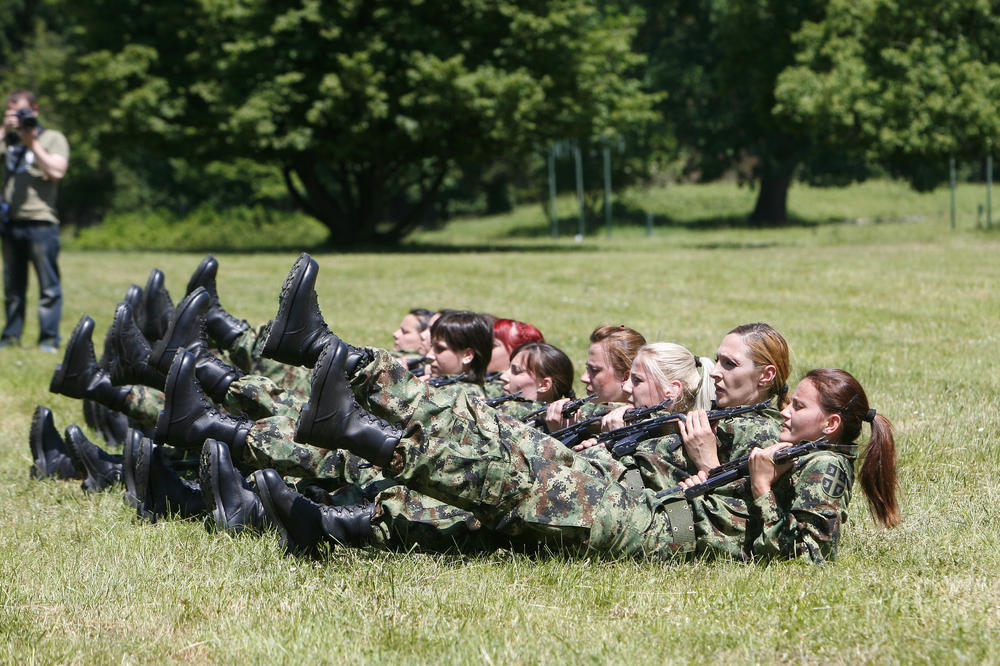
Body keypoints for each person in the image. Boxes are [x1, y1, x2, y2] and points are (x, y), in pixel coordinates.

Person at [282, 342, 900, 562]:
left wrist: (753, 486)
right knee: (518, 458)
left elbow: (803, 562)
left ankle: (356, 429)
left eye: (801, 407)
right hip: (660, 510)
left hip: (669, 530)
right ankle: (356, 402)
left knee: (519, 483)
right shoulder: (792, 444)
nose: (788, 410)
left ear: (832, 424)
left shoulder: (821, 465)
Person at [1, 90, 69, 351]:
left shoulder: (52, 138)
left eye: (22, 112)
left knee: (48, 287)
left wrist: (32, 143)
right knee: (12, 288)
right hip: (11, 221)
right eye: (13, 114)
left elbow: (56, 171)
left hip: (41, 221)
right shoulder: (7, 140)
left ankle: (49, 340)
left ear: (35, 110)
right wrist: (3, 130)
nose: (18, 119)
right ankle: (10, 337)